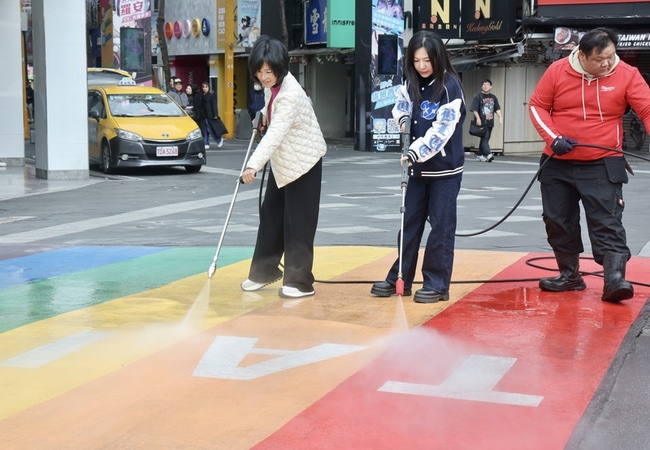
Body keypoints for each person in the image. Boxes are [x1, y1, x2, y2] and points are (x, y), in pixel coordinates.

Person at [528, 27, 650, 302]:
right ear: (581, 55)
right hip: (557, 161)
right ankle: (569, 276)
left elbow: (647, 109)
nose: (607, 63)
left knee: (607, 221)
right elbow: (537, 106)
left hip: (603, 161)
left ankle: (614, 279)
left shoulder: (628, 74)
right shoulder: (558, 71)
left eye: (611, 56)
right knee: (557, 220)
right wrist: (554, 138)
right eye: (599, 59)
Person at [370, 30, 466, 303]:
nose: (422, 66)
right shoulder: (410, 80)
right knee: (408, 223)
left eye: (427, 60)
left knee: (440, 229)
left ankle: (436, 284)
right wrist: (401, 120)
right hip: (416, 170)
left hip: (444, 170)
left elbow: (442, 130)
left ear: (438, 57)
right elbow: (401, 104)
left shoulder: (450, 86)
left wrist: (414, 151)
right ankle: (400, 276)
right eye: (416, 60)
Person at [239, 35, 327, 299]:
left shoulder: (290, 95)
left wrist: (253, 165)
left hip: (304, 162)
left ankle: (300, 282)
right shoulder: (272, 87)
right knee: (272, 216)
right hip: (283, 162)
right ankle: (263, 272)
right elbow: (272, 119)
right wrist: (265, 115)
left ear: (281, 68)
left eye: (269, 72)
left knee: (298, 223)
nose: (264, 77)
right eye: (259, 72)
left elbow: (276, 134)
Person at [470, 79, 502, 162]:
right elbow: (474, 109)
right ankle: (488, 154)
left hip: (490, 122)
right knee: (485, 138)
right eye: (484, 84)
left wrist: (500, 117)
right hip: (482, 122)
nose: (485, 86)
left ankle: (480, 155)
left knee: (485, 139)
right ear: (481, 86)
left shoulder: (493, 97)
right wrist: (478, 118)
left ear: (490, 86)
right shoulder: (478, 96)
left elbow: (497, 108)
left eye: (487, 84)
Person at [199, 81, 224, 149]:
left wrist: (215, 114)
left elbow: (214, 105)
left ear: (208, 88)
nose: (204, 88)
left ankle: (218, 140)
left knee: (210, 129)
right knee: (205, 130)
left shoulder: (211, 96)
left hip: (210, 115)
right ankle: (206, 143)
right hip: (204, 115)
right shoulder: (202, 96)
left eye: (206, 87)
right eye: (203, 87)